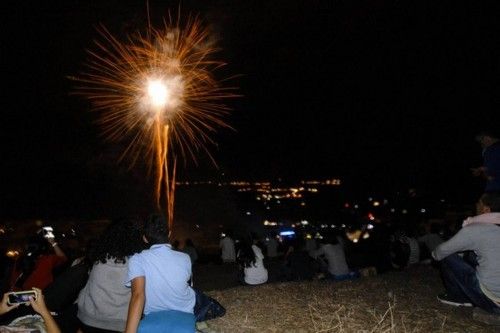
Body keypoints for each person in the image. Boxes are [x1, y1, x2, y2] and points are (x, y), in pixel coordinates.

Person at [432, 193, 500, 325]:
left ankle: (457, 297)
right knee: (471, 254)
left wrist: (433, 254)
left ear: (486, 209)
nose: (476, 205)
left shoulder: (476, 229)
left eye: (479, 202)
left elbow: (440, 252)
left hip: (492, 301)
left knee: (448, 255)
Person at [125, 214, 196, 333]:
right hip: (186, 316)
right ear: (169, 234)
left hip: (153, 317)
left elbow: (138, 295)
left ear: (145, 238)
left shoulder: (137, 259)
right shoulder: (185, 258)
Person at [77, 218, 146, 333]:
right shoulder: (135, 263)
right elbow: (139, 296)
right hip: (117, 325)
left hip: (87, 320)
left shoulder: (99, 259)